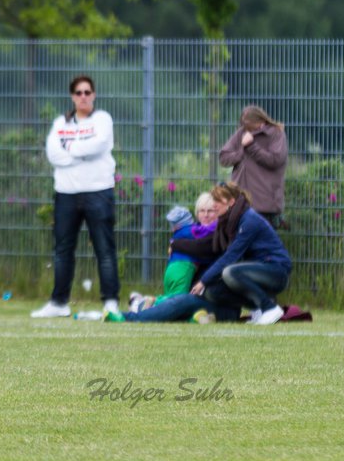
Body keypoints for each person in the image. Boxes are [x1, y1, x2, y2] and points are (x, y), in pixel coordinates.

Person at [109, 181, 293, 325]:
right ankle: (143, 310)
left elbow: (218, 253)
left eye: (212, 209)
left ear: (230, 203)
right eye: (203, 210)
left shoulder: (240, 223)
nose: (208, 214)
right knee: (189, 301)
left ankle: (132, 316)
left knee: (196, 295)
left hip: (260, 279)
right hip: (222, 296)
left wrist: (179, 247)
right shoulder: (225, 226)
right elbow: (207, 247)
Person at [31, 75, 119, 318]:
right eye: (79, 92)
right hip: (66, 193)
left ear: (94, 94)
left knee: (104, 249)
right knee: (63, 250)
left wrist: (70, 148)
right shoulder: (61, 122)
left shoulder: (102, 119)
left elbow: (99, 145)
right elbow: (53, 154)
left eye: (87, 92)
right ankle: (59, 303)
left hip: (98, 190)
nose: (83, 96)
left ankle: (110, 301)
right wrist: (81, 153)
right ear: (72, 96)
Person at [125, 194, 218, 316]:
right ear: (196, 213)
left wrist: (174, 244)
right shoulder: (197, 230)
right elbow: (201, 248)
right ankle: (144, 304)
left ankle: (142, 302)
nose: (205, 215)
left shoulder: (191, 231)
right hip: (182, 271)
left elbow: (201, 248)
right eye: (202, 211)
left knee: (173, 298)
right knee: (177, 300)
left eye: (210, 211)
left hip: (177, 271)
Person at [219, 104, 287, 228]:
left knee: (263, 244)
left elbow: (275, 161)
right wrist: (241, 153)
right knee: (242, 243)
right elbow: (223, 158)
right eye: (246, 127)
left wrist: (251, 146)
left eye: (252, 127)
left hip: (265, 205)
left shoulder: (276, 134)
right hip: (240, 203)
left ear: (262, 121)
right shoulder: (242, 133)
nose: (250, 131)